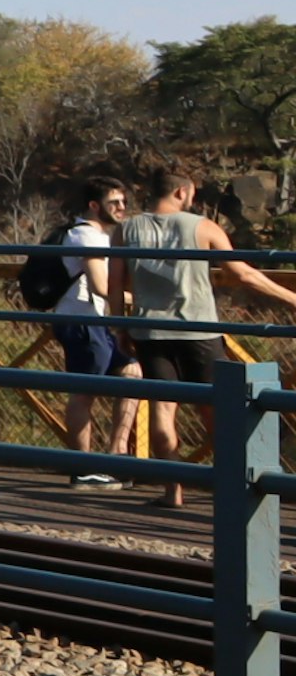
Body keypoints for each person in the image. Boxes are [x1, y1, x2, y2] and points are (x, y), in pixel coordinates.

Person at [113, 166, 296, 491]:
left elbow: (115, 286)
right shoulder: (202, 226)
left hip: (148, 331)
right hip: (198, 329)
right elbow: (242, 273)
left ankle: (173, 490)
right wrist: (291, 298)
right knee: (217, 407)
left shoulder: (126, 229)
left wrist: (120, 326)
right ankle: (234, 484)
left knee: (162, 409)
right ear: (182, 192)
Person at [32, 179, 135, 478]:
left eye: (123, 202)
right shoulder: (84, 236)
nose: (121, 208)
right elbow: (102, 287)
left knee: (133, 373)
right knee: (84, 393)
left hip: (101, 322)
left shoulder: (100, 236)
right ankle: (83, 467)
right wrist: (141, 300)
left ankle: (117, 455)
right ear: (94, 205)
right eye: (114, 202)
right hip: (82, 321)